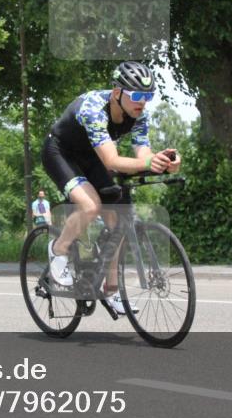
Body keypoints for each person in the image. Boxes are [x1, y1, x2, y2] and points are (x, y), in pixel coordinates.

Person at [41, 61, 181, 314]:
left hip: (92, 157)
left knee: (119, 220)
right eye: (137, 95)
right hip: (61, 153)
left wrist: (161, 163)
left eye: (148, 96)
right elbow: (112, 161)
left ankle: (111, 290)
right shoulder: (94, 109)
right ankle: (58, 249)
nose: (143, 102)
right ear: (117, 93)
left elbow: (142, 154)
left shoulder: (140, 115)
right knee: (91, 205)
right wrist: (147, 162)